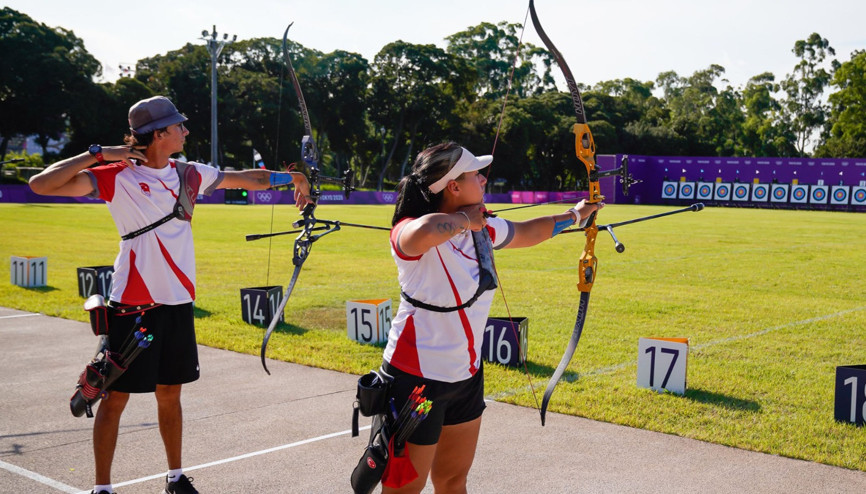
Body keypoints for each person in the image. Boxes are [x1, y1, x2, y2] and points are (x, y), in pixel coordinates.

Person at [29, 95, 312, 494]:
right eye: (179, 126)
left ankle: (176, 477)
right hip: (132, 304)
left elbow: (247, 177)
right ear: (159, 134)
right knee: (113, 399)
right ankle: (102, 487)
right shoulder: (116, 174)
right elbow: (41, 184)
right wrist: (97, 154)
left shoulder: (190, 173)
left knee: (170, 394)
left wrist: (294, 178)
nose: (186, 130)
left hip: (177, 302)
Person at [380, 142, 602, 493]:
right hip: (415, 378)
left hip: (465, 376)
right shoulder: (410, 231)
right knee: (404, 487)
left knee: (454, 480)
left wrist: (576, 215)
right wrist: (466, 220)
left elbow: (531, 231)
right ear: (453, 186)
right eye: (474, 175)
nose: (483, 180)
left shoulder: (483, 229)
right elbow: (419, 234)